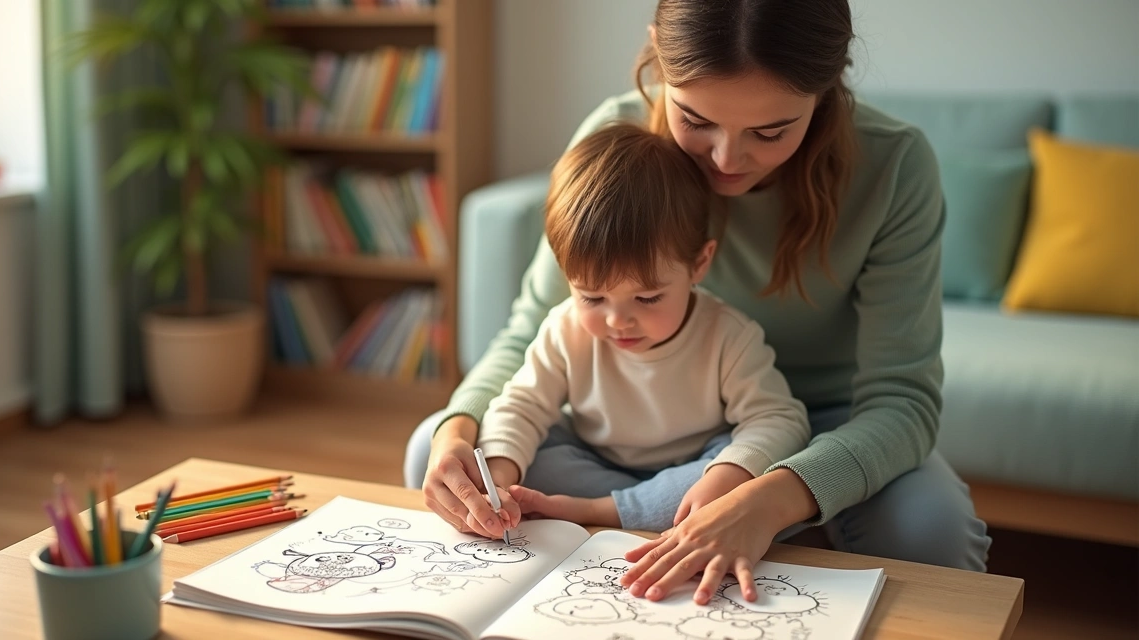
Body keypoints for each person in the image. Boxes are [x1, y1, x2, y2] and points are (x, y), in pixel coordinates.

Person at [406, 0, 990, 606]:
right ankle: (647, 517)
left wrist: (765, 496)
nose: (726, 159)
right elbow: (532, 334)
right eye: (695, 119)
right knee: (437, 450)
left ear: (826, 89)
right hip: (628, 425)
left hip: (813, 427)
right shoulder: (617, 140)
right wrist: (459, 430)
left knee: (933, 533)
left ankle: (687, 517)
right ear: (658, 55)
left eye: (770, 131)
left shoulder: (895, 165)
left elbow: (903, 402)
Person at [472, 121, 810, 535]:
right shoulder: (565, 329)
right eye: (592, 298)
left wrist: (729, 474)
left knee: (743, 472)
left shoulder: (728, 337)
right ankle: (636, 509)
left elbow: (779, 419)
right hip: (593, 462)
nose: (617, 321)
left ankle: (600, 513)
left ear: (698, 265)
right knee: (524, 452)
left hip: (691, 468)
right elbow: (521, 407)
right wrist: (499, 479)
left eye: (647, 298)